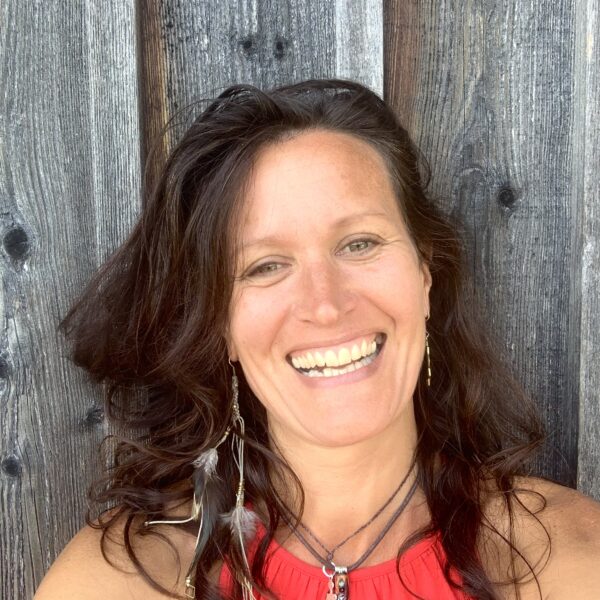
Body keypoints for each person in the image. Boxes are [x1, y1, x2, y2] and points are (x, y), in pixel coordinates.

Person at [35, 79, 600, 600]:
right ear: (218, 326)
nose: (326, 305)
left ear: (425, 273)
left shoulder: (568, 560)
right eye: (265, 266)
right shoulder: (125, 578)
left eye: (359, 244)